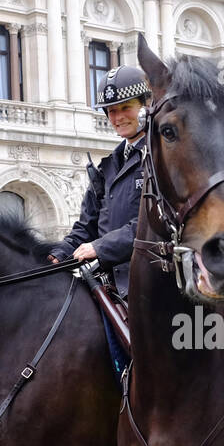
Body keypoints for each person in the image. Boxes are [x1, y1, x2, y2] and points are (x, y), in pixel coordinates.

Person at [48, 65, 151, 299]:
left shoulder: (160, 159)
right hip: (107, 281)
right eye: (111, 111)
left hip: (147, 284)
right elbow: (87, 226)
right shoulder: (108, 166)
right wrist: (58, 254)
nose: (118, 117)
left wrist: (100, 248)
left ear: (147, 106)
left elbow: (152, 225)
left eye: (126, 108)